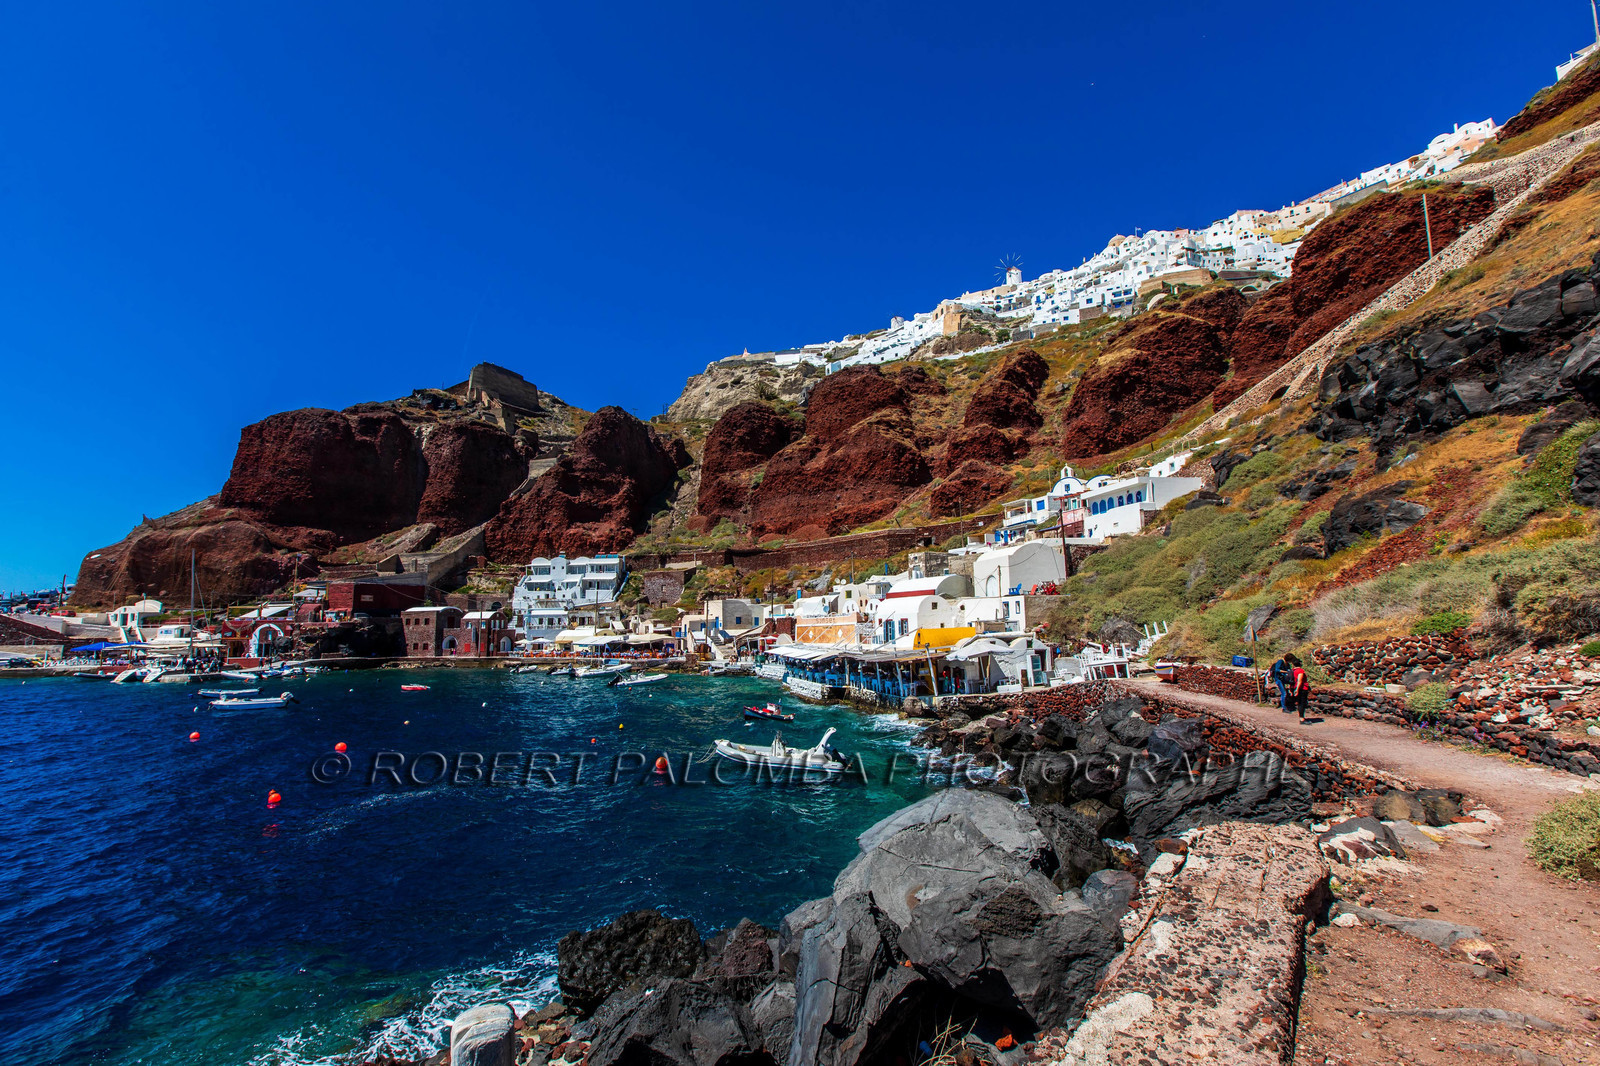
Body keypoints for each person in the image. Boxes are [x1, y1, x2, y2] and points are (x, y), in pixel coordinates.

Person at [1287, 653, 1310, 720]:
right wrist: (1297, 689)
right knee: (1302, 703)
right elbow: (1300, 680)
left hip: (1294, 687)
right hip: (1302, 688)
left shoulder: (1292, 671)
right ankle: (1302, 718)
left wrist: (1291, 689)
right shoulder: (1300, 671)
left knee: (1299, 703)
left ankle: (1301, 717)